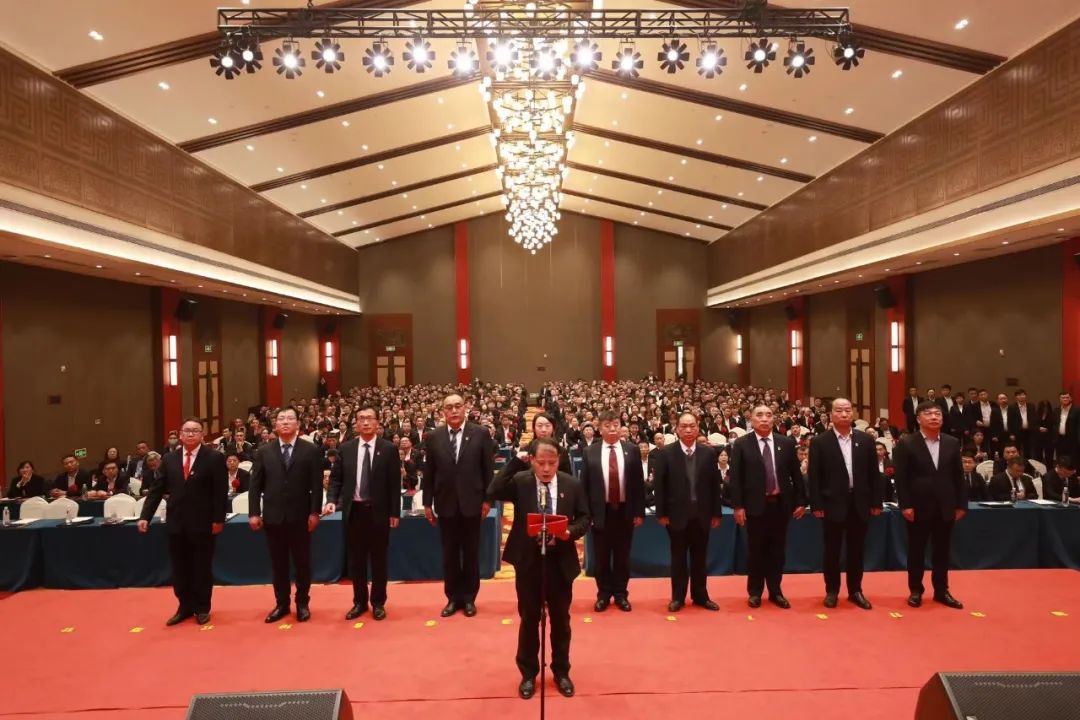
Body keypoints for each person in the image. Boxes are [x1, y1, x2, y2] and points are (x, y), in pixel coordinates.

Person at [485, 439, 589, 700]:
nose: (546, 469)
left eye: (551, 463)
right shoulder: (521, 481)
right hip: (529, 561)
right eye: (540, 463)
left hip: (560, 561)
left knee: (561, 620)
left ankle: (561, 671)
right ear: (531, 460)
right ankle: (528, 673)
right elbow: (494, 489)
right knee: (529, 618)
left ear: (558, 461)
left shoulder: (571, 484)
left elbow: (585, 517)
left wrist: (569, 532)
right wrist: (515, 462)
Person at [139, 418, 228, 626]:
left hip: (203, 522)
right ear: (180, 435)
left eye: (195, 431)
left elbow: (220, 492)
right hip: (176, 522)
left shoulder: (214, 457)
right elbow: (157, 489)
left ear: (202, 435)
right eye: (186, 430)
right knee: (180, 567)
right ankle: (184, 606)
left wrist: (218, 519)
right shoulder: (169, 458)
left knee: (201, 566)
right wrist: (145, 516)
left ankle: (202, 607)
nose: (190, 434)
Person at [325, 406, 402, 621]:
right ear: (356, 424)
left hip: (379, 512)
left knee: (379, 560)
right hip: (354, 512)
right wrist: (331, 500)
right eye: (361, 419)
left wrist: (395, 512)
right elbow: (336, 479)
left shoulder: (388, 449)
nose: (366, 422)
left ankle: (378, 602)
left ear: (378, 423)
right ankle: (359, 602)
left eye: (370, 418)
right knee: (356, 561)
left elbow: (394, 484)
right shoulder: (346, 448)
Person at [248, 406, 324, 624]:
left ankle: (302, 603)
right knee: (278, 564)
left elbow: (316, 485)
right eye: (281, 418)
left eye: (290, 418)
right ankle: (281, 603)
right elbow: (255, 486)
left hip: (301, 516)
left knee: (302, 562)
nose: (285, 422)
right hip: (273, 517)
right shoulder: (264, 451)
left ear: (298, 424)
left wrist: (315, 512)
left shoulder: (310, 450)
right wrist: (254, 513)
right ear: (275, 425)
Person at [423, 393, 495, 617]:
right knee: (450, 554)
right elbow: (429, 472)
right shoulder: (433, 436)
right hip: (445, 503)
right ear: (443, 411)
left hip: (473, 503)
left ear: (465, 408)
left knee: (471, 553)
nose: (453, 410)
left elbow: (487, 470)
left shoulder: (480, 433)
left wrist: (488, 499)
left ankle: (470, 598)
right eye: (449, 407)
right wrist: (427, 503)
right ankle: (453, 598)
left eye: (457, 406)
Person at [729, 404, 807, 609]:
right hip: (755, 507)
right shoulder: (742, 444)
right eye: (759, 415)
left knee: (777, 552)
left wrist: (801, 501)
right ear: (751, 420)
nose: (764, 419)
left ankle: (775, 591)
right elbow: (736, 478)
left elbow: (796, 475)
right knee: (756, 551)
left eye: (769, 415)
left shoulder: (786, 443)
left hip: (780, 505)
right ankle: (755, 592)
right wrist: (738, 506)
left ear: (774, 419)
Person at [808, 398, 881, 610]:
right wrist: (816, 505)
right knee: (832, 550)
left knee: (857, 549)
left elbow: (873, 474)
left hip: (859, 502)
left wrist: (875, 501)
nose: (844, 414)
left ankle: (855, 590)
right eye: (839, 411)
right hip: (831, 503)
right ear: (831, 414)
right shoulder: (820, 441)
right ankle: (832, 590)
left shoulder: (865, 440)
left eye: (847, 410)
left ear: (853, 414)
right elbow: (814, 476)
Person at [894, 401, 966, 610]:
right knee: (916, 550)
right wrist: (905, 505)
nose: (934, 417)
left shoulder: (952, 442)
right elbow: (901, 478)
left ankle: (942, 590)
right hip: (917, 506)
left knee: (942, 551)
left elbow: (958, 476)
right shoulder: (906, 443)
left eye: (938, 414)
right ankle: (916, 590)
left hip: (946, 506)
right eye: (928, 414)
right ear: (918, 419)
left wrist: (961, 504)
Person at [653, 412, 723, 612]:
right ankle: (678, 597)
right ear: (676, 429)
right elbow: (660, 486)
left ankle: (700, 596)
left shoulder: (708, 453)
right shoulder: (666, 453)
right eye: (684, 426)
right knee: (678, 558)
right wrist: (661, 513)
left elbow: (714, 486)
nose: (688, 430)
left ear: (698, 428)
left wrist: (716, 513)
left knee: (700, 558)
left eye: (692, 426)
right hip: (676, 515)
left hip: (702, 514)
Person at [580, 411, 645, 612]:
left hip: (625, 511)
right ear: (600, 429)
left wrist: (639, 512)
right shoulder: (590, 451)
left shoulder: (631, 450)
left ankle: (620, 594)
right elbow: (584, 486)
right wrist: (586, 514)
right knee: (601, 557)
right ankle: (603, 594)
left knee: (622, 556)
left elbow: (638, 484)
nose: (612, 428)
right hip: (600, 511)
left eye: (616, 424)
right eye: (607, 425)